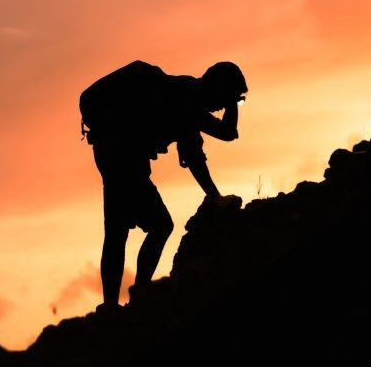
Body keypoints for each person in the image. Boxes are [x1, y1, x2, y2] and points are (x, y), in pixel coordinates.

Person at [79, 60, 247, 310]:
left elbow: (225, 134)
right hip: (123, 158)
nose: (222, 107)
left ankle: (115, 304)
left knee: (118, 230)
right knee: (157, 225)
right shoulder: (186, 99)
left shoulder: (185, 96)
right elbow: (205, 150)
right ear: (216, 87)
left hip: (113, 154)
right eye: (226, 99)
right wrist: (214, 196)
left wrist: (233, 98)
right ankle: (139, 296)